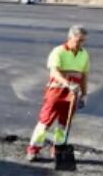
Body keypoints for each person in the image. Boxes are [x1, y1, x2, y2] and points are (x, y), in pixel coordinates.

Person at [26, 25, 90, 162]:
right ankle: (33, 149)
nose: (81, 44)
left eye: (83, 41)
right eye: (78, 40)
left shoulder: (84, 54)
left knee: (64, 124)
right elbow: (54, 72)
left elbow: (84, 75)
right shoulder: (58, 52)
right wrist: (67, 84)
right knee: (45, 122)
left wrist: (84, 95)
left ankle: (57, 150)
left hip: (72, 95)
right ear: (70, 38)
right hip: (56, 92)